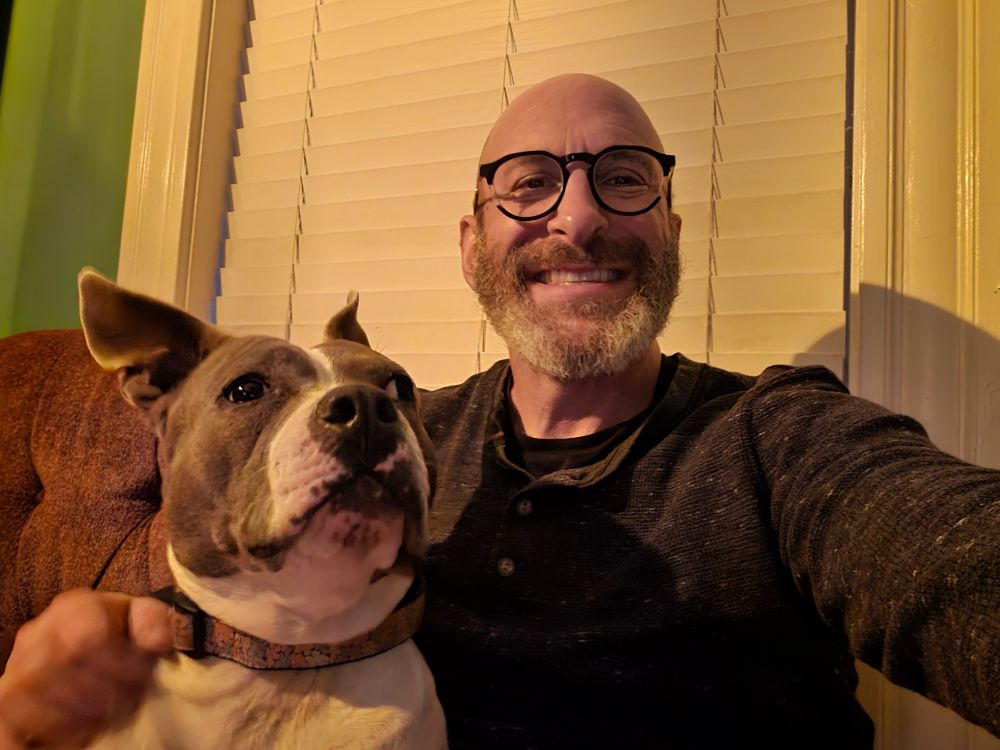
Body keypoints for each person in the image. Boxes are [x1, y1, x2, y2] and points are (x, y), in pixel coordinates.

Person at [1, 73, 998, 749]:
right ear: (471, 245)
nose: (578, 217)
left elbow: (953, 560)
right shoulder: (401, 439)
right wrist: (95, 641)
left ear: (669, 227)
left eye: (624, 179)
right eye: (529, 186)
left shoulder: (777, 439)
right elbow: (243, 581)